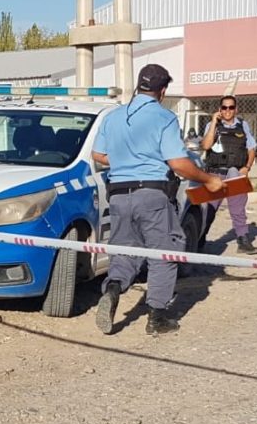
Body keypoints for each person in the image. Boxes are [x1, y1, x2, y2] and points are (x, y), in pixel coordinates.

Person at [92, 64, 224, 336]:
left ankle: (113, 289)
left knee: (125, 250)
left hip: (118, 195)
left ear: (139, 86)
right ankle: (157, 317)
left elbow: (98, 155)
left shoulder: (113, 117)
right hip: (151, 195)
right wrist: (209, 179)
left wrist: (126, 161)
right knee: (164, 251)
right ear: (162, 91)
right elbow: (178, 163)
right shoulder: (164, 118)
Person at [200, 95, 257, 255]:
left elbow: (251, 148)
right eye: (224, 107)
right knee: (208, 210)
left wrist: (247, 167)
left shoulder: (243, 125)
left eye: (231, 107)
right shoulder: (212, 125)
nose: (228, 110)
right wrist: (214, 122)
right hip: (215, 173)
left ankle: (243, 240)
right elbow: (205, 145)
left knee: (238, 208)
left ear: (236, 109)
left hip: (236, 172)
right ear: (220, 109)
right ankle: (199, 241)